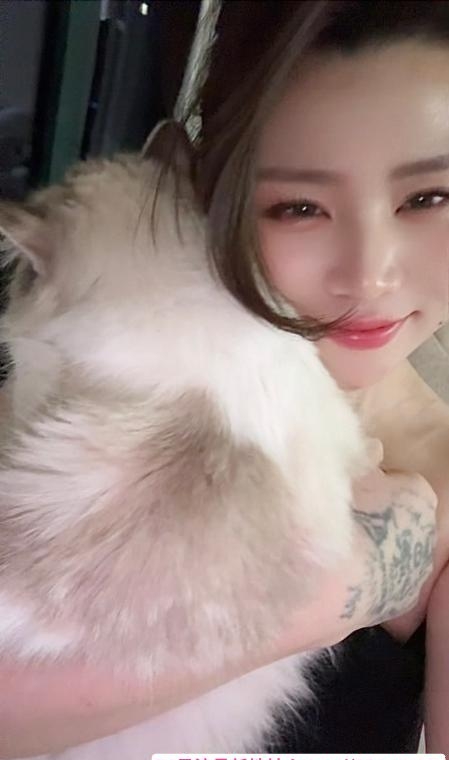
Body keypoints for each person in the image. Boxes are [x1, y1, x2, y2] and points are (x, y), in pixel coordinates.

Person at [1, 0, 449, 755]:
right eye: (298, 206)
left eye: (429, 197)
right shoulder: (78, 388)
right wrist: (356, 582)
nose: (368, 276)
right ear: (208, 199)